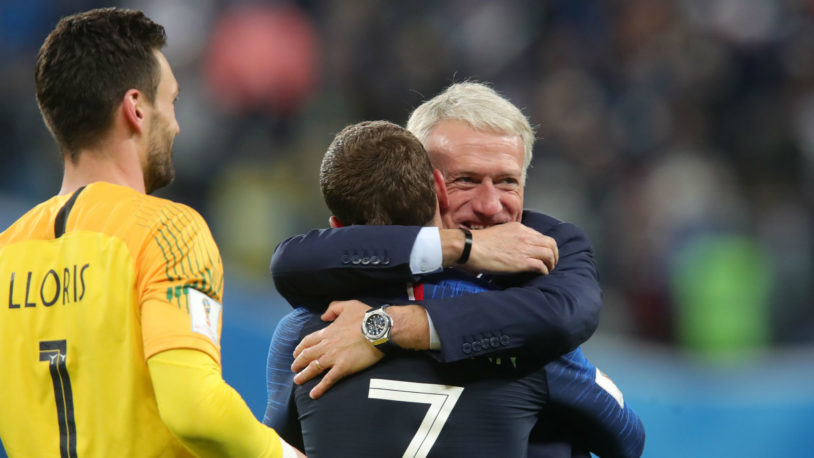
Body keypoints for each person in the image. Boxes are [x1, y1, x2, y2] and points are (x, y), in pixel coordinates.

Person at [0, 8, 302, 457]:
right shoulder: (168, 232)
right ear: (137, 108)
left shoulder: (7, 253)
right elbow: (196, 409)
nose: (176, 124)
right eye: (172, 101)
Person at [265, 120, 644, 457]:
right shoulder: (522, 334)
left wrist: (381, 330)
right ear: (438, 190)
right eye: (467, 180)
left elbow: (277, 448)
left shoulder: (302, 335)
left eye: (507, 181)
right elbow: (627, 437)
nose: (489, 205)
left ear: (337, 228)